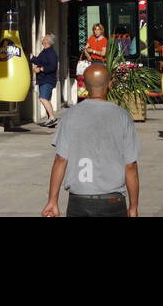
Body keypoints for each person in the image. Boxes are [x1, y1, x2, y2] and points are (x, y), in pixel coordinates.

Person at [41, 64, 139, 218]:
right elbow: (130, 166)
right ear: (110, 84)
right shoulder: (123, 116)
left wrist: (52, 201)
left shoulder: (70, 115)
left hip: (79, 201)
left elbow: (60, 159)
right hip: (113, 201)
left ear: (85, 86)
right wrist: (133, 207)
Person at [30, 33, 59, 127]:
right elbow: (39, 61)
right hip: (43, 79)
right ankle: (51, 121)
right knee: (47, 100)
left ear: (47, 42)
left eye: (44, 38)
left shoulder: (51, 53)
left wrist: (40, 69)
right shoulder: (45, 51)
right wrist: (31, 58)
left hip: (48, 80)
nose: (43, 39)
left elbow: (52, 66)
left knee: (43, 98)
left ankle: (52, 118)